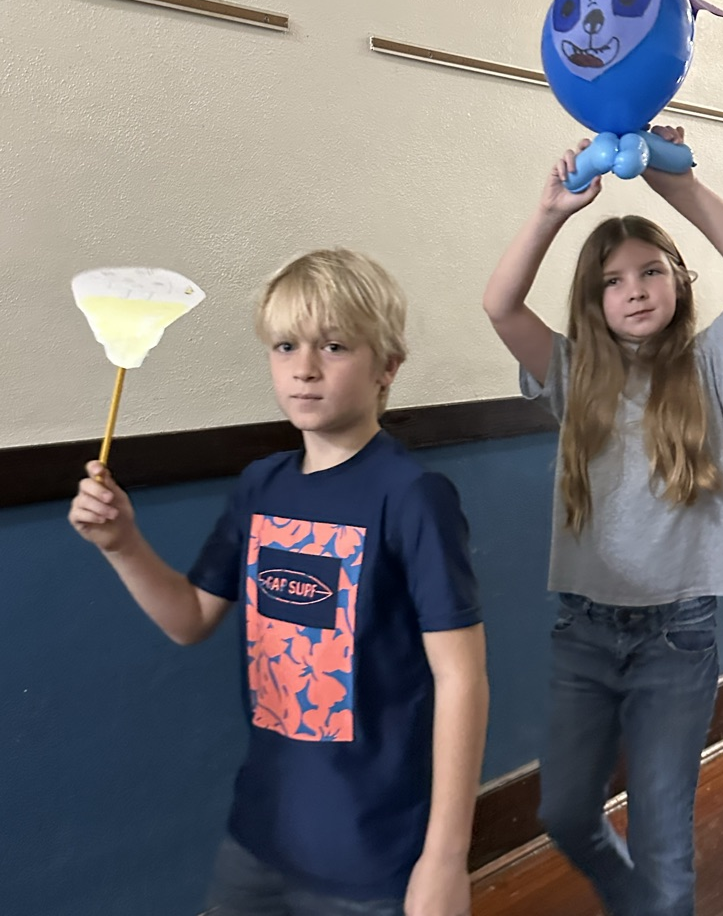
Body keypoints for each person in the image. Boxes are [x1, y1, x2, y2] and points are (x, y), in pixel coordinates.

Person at [69, 247, 489, 916]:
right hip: (261, 837)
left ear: (388, 367)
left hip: (375, 854)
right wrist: (121, 542)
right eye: (286, 345)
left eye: (335, 346)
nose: (305, 368)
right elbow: (189, 619)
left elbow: (462, 679)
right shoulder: (261, 485)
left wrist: (444, 860)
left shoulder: (412, 497)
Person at [482, 125, 723, 916]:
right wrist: (548, 214)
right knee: (565, 812)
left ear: (677, 281)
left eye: (651, 272)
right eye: (612, 281)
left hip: (679, 637)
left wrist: (682, 189)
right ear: (592, 301)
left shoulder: (710, 364)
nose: (634, 288)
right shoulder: (572, 372)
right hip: (586, 633)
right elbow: (499, 305)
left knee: (665, 834)